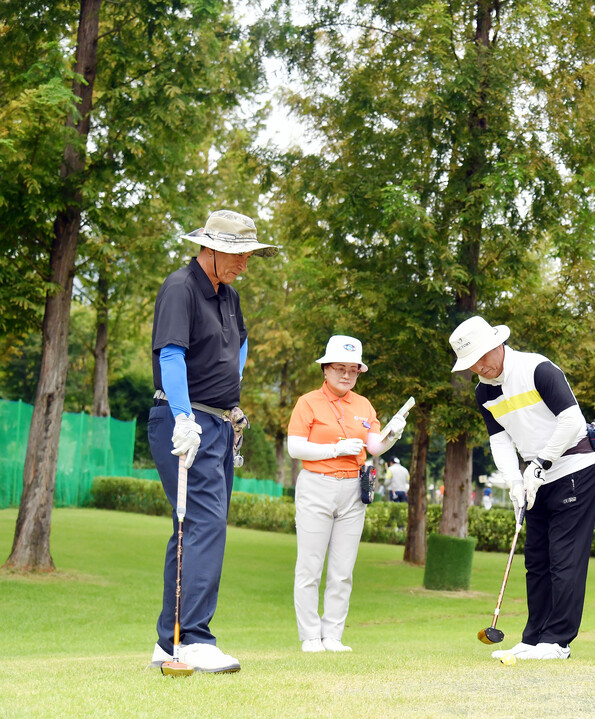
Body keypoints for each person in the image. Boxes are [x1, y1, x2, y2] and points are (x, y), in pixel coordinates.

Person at [147, 209, 279, 673]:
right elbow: (171, 354)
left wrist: (232, 392)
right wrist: (184, 417)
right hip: (186, 425)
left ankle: (170, 643)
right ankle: (195, 639)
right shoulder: (180, 288)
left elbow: (240, 342)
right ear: (212, 248)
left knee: (194, 529)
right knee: (204, 526)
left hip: (220, 424)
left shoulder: (229, 294)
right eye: (239, 255)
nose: (245, 263)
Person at [449, 316, 595, 661]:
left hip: (575, 468)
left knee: (564, 558)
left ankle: (558, 641)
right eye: (471, 363)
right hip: (536, 478)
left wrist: (540, 464)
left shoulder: (537, 369)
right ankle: (533, 637)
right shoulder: (483, 391)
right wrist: (515, 482)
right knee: (536, 560)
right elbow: (500, 441)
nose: (479, 367)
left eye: (482, 357)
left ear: (497, 345)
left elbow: (572, 421)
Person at [287, 335, 407, 653]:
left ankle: (333, 636)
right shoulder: (308, 402)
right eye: (339, 367)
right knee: (309, 566)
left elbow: (375, 446)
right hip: (317, 484)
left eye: (353, 370)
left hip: (354, 488)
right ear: (325, 369)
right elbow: (294, 446)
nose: (346, 375)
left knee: (342, 570)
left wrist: (392, 434)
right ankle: (311, 636)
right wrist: (334, 448)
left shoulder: (363, 405)